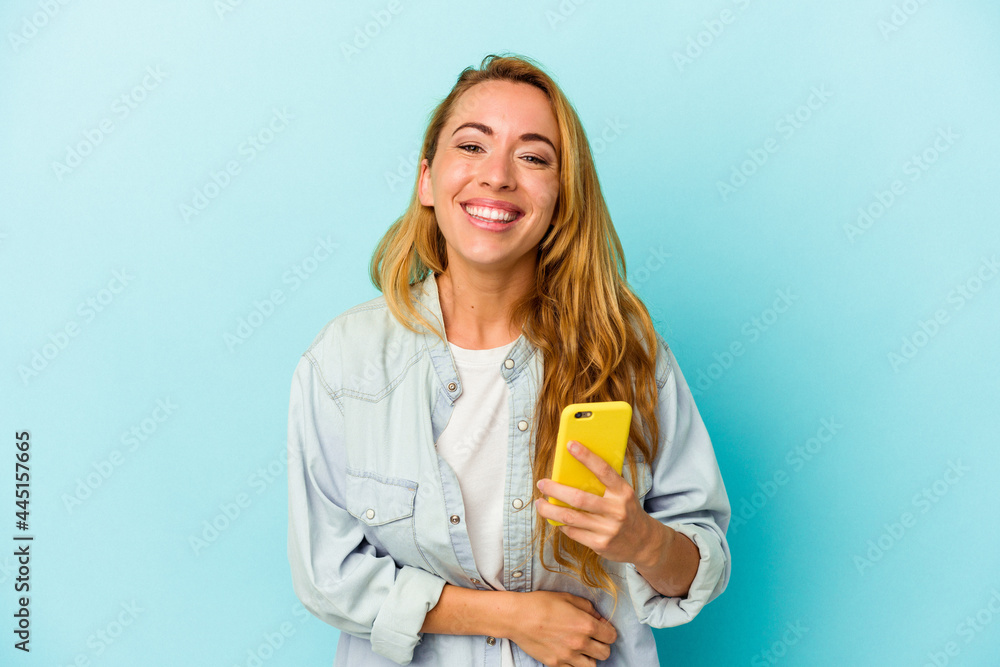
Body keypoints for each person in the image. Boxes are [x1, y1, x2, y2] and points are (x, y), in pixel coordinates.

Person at [286, 53, 731, 667]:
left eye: (534, 157)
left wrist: (644, 540)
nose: (496, 176)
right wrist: (512, 618)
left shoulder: (625, 352)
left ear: (562, 196)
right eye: (472, 146)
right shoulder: (343, 362)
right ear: (426, 180)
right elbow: (329, 576)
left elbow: (700, 564)